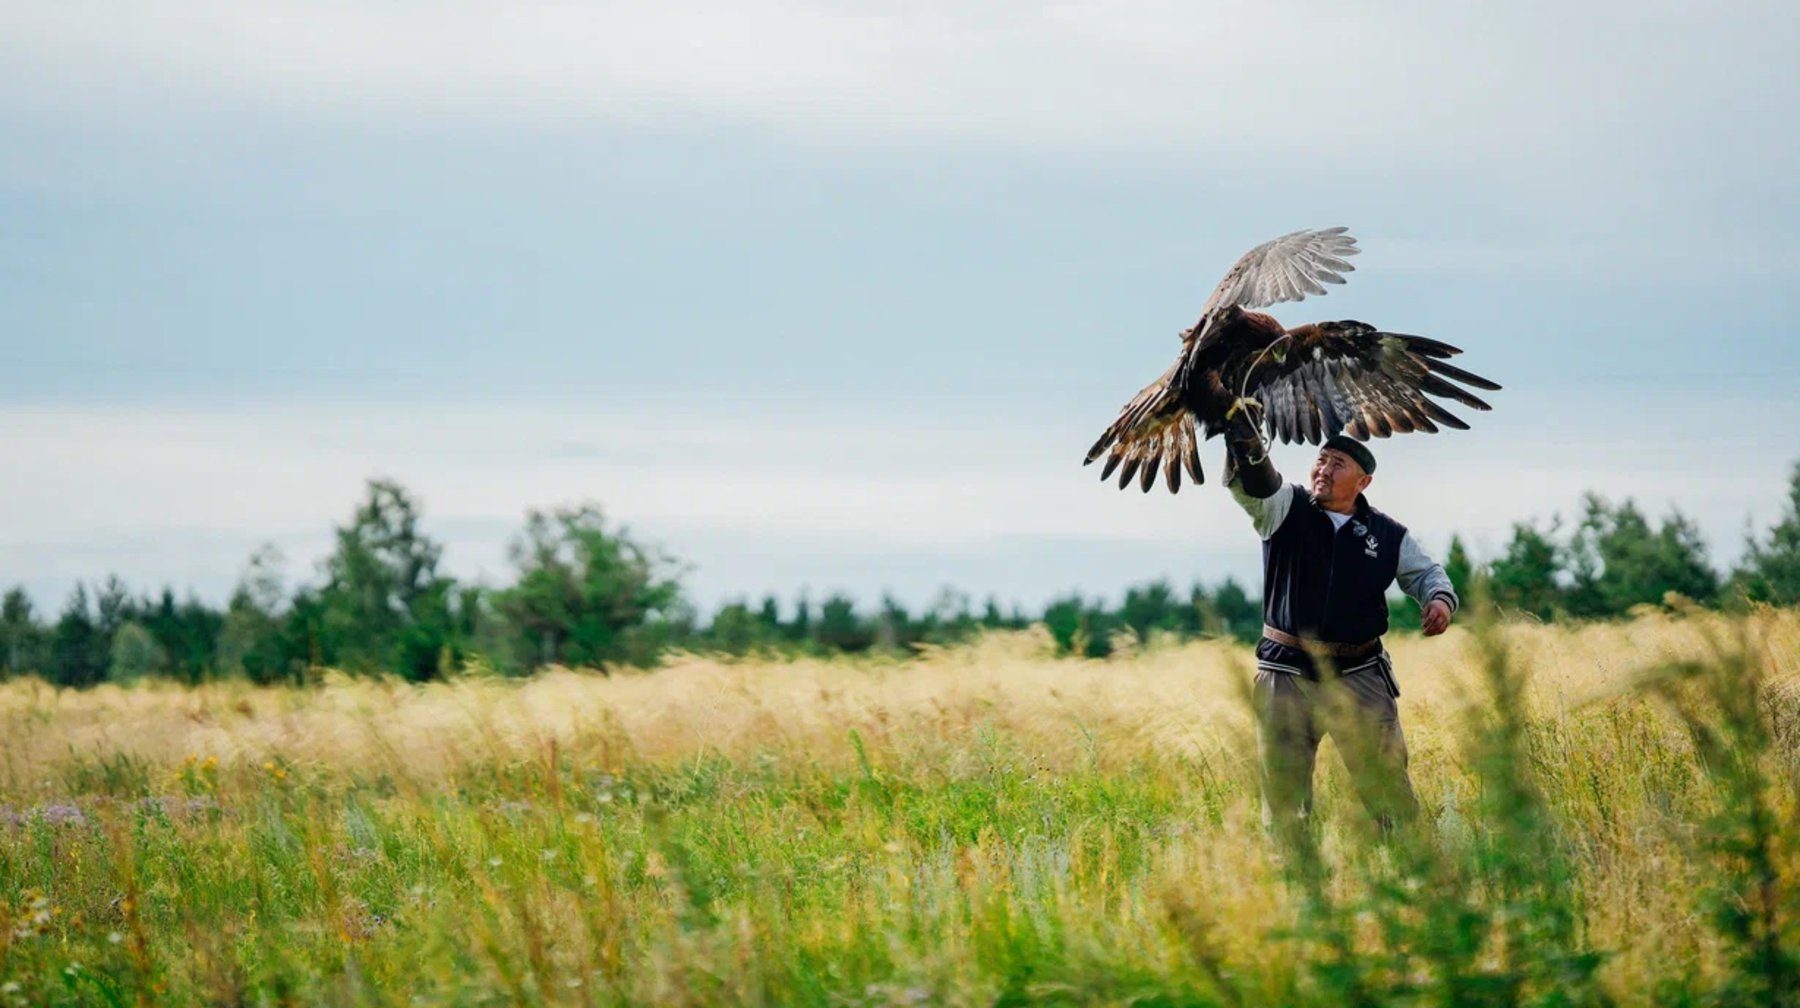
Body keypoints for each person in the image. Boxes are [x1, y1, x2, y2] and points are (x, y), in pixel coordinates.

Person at [1222, 420, 1457, 833]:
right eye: (1321, 460)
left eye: (1338, 464)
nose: (1323, 471)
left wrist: (1438, 600)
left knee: (1390, 796)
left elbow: (1426, 574)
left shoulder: (1387, 534)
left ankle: (1410, 877)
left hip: (1359, 674)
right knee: (1284, 801)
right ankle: (1294, 885)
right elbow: (1256, 481)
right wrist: (1240, 431)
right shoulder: (1283, 508)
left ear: (1363, 481)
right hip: (1287, 675)